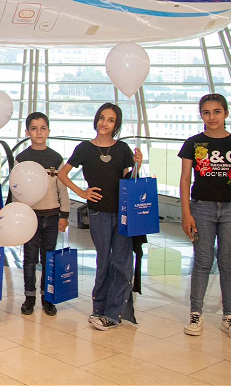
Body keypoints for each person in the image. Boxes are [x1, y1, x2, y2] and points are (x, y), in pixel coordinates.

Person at [179, 94, 231, 342]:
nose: (212, 117)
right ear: (201, 115)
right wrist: (186, 213)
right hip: (201, 208)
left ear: (226, 113)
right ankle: (195, 313)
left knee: (227, 263)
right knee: (202, 261)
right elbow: (185, 179)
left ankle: (229, 317)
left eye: (216, 112)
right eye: (206, 112)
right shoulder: (193, 143)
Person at [58, 102, 142, 331]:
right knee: (104, 260)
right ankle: (99, 308)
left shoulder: (122, 149)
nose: (104, 123)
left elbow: (129, 180)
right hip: (98, 212)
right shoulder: (85, 148)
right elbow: (63, 174)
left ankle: (113, 313)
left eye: (111, 120)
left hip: (123, 213)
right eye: (102, 117)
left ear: (116, 125)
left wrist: (137, 165)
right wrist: (82, 193)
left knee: (122, 262)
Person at [17, 112, 69, 316]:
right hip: (29, 217)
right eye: (34, 128)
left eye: (43, 128)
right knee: (30, 259)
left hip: (52, 216)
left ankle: (48, 297)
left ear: (48, 131)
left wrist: (64, 214)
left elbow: (62, 188)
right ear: (27, 132)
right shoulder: (22, 158)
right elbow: (16, 188)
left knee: (49, 259)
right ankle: (29, 297)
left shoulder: (56, 158)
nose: (38, 132)